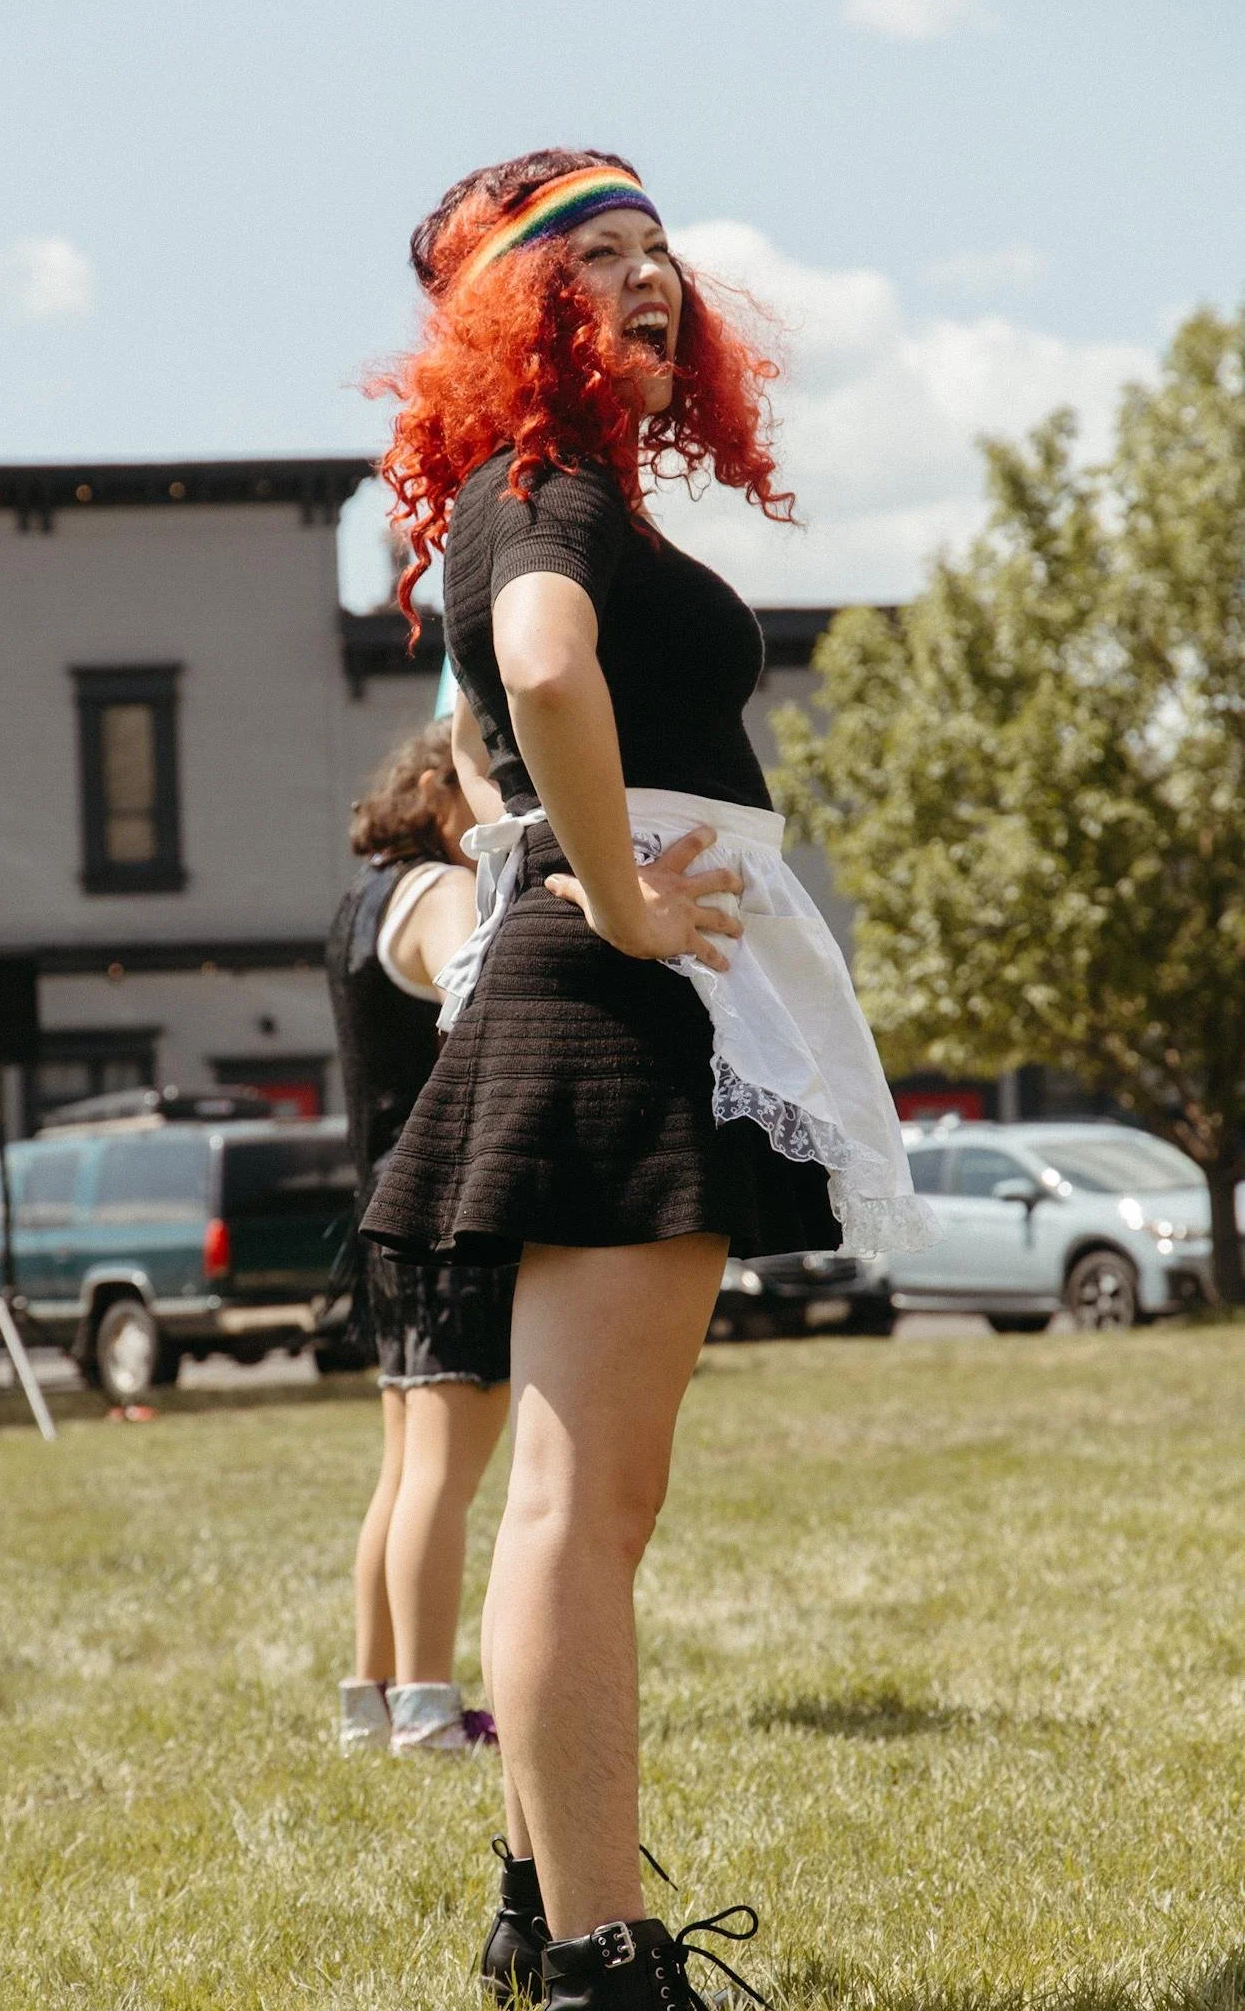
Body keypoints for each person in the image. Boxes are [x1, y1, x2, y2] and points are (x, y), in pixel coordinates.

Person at [363, 150, 940, 2009]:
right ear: (512, 310)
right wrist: (616, 890)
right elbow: (539, 669)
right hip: (615, 1001)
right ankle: (609, 1962)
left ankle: (543, 1909)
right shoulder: (541, 490)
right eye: (590, 255)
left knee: (588, 1496)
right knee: (578, 1506)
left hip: (631, 1000)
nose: (647, 276)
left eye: (654, 247)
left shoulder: (577, 488)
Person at [326, 720, 514, 1760]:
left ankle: (376, 1696)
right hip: (447, 1204)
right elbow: (471, 1002)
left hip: (383, 1212)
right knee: (441, 1475)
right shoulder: (442, 895)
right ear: (441, 788)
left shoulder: (359, 900)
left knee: (404, 1470)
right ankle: (431, 1708)